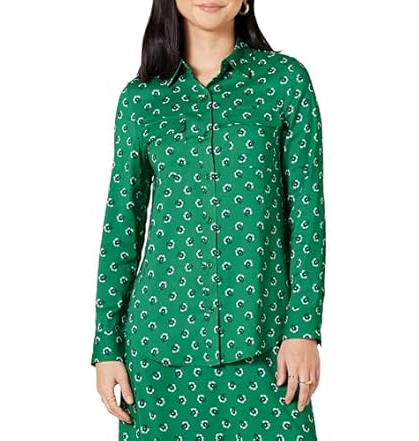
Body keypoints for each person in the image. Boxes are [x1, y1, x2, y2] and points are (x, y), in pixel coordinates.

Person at [90, 0, 326, 439]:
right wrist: (107, 346)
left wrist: (303, 329)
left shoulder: (285, 82)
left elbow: (307, 215)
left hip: (268, 345)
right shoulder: (141, 101)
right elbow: (121, 226)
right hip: (160, 351)